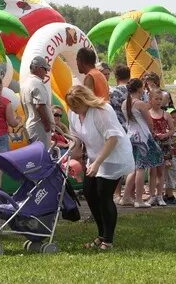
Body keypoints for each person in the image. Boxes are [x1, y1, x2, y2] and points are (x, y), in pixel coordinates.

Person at [65, 85, 133, 251]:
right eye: (71, 106)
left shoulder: (102, 111)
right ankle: (101, 234)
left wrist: (97, 163)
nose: (73, 109)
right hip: (95, 157)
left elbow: (112, 138)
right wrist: (72, 154)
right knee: (89, 193)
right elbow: (76, 138)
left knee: (103, 195)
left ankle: (108, 240)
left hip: (113, 157)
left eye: (76, 105)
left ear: (85, 101)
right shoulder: (74, 114)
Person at [120, 78, 163, 207]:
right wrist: (153, 133)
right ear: (139, 89)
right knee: (140, 168)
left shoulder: (125, 103)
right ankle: (139, 200)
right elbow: (149, 122)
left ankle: (126, 196)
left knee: (133, 168)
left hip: (130, 136)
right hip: (142, 138)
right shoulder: (140, 104)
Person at [146, 89, 174, 207]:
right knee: (152, 171)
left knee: (161, 172)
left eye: (160, 99)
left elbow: (172, 130)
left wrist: (165, 135)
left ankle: (160, 195)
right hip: (152, 145)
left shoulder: (166, 114)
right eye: (156, 99)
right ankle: (152, 196)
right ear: (150, 100)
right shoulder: (147, 113)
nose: (158, 101)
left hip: (163, 145)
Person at [20, 56, 52, 148]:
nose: (46, 72)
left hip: (30, 126)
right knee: (42, 157)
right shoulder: (37, 83)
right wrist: (47, 125)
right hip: (39, 127)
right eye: (45, 69)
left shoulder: (25, 84)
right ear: (39, 68)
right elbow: (40, 106)